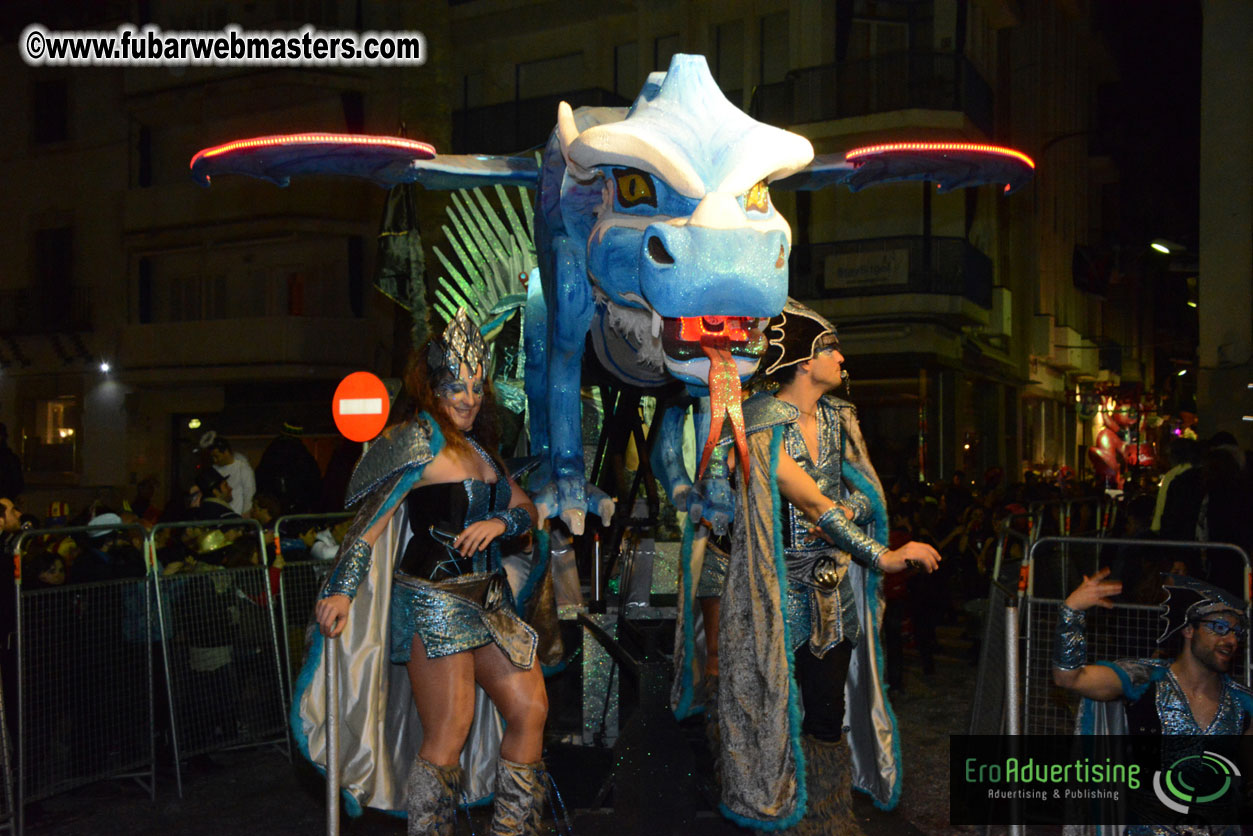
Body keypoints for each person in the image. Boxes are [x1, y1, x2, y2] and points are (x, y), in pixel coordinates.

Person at [297, 309, 548, 835]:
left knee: (530, 708)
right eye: (456, 386)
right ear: (432, 388)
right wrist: (340, 592)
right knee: (450, 728)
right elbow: (369, 524)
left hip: (489, 600)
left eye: (477, 387)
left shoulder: (482, 449)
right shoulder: (417, 442)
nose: (468, 398)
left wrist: (501, 521)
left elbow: (526, 510)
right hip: (433, 599)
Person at [710, 301, 941, 833]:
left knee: (826, 712)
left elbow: (862, 497)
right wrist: (882, 554)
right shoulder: (759, 422)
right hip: (774, 591)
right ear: (800, 362)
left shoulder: (842, 419)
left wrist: (845, 514)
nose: (841, 357)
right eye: (828, 348)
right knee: (770, 710)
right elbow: (812, 501)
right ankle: (780, 810)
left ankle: (827, 814)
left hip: (833, 592)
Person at [1053, 570, 1252, 833]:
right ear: (1189, 629)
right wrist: (1072, 611)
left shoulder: (1243, 704)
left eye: (1236, 633)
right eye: (1219, 628)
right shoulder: (1143, 680)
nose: (1230, 640)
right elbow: (1069, 678)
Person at [255, 421, 323, 514]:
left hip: (273, 509)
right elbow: (314, 484)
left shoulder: (272, 452)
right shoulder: (303, 455)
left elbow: (261, 477)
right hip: (298, 509)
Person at [199, 432, 256, 516]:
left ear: (226, 452)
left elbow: (249, 493)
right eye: (212, 457)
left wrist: (245, 513)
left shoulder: (242, 468)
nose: (215, 460)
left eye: (217, 456)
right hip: (219, 514)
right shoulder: (214, 469)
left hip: (237, 513)